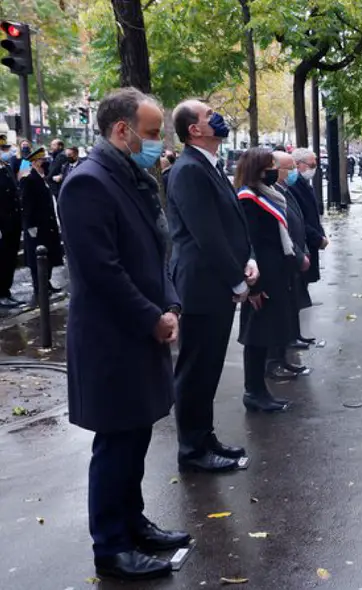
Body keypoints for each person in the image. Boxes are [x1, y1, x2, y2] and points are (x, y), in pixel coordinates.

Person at [60, 87, 190, 581]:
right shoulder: (88, 183)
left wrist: (171, 303)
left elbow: (156, 254)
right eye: (153, 133)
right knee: (115, 444)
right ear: (122, 131)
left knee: (134, 437)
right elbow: (101, 270)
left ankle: (133, 522)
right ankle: (111, 546)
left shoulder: (129, 176)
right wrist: (151, 316)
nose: (158, 143)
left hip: (139, 332)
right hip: (113, 340)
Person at [167, 99, 258, 472]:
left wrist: (248, 257)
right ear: (195, 129)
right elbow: (208, 235)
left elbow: (232, 224)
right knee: (196, 370)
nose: (216, 118)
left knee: (209, 368)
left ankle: (205, 438)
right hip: (202, 287)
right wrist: (236, 280)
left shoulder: (209, 166)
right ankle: (192, 450)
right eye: (208, 115)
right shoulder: (189, 169)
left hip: (215, 284)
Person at [234, 148, 294, 412]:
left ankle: (260, 390)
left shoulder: (264, 194)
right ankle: (254, 391)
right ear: (259, 168)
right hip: (261, 277)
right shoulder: (248, 198)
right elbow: (250, 242)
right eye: (270, 165)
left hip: (275, 273)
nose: (274, 170)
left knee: (265, 334)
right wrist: (254, 287)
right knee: (256, 335)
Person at [270, 150, 313, 375]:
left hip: (292, 258)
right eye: (289, 168)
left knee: (289, 305)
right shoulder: (267, 193)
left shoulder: (283, 190)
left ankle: (282, 356)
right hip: (279, 264)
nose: (293, 172)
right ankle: (274, 362)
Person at [19, 147, 64, 306]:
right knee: (37, 257)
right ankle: (39, 287)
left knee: (49, 255)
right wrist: (30, 225)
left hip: (47, 223)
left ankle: (47, 282)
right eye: (41, 160)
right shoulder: (29, 178)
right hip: (37, 225)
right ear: (34, 162)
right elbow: (26, 203)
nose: (44, 162)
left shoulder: (41, 176)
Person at [289, 148, 328, 286]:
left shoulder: (304, 184)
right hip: (303, 245)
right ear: (298, 164)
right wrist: (317, 238)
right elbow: (299, 220)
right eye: (311, 165)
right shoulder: (294, 186)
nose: (314, 168)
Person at [0, 135, 23, 308]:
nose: (5, 152)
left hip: (13, 222)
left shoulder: (6, 167)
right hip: (2, 224)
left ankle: (6, 290)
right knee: (2, 259)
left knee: (10, 258)